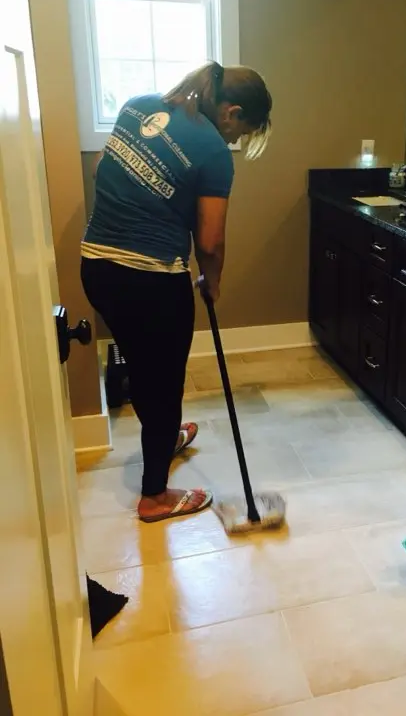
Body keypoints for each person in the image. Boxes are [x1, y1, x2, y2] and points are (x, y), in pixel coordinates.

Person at [81, 62, 272, 523]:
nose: (234, 140)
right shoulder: (213, 151)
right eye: (241, 131)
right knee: (164, 383)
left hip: (97, 268)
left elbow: (102, 172)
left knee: (143, 366)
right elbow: (210, 242)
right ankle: (154, 497)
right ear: (231, 112)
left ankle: (164, 440)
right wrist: (212, 281)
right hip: (150, 279)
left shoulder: (139, 105)